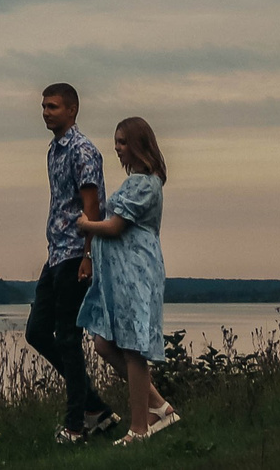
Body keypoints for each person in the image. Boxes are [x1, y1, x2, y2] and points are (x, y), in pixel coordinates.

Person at [75, 116, 175, 444]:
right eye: (116, 142)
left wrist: (85, 224)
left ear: (137, 145)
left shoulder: (145, 183)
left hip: (137, 273)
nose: (117, 149)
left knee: (133, 350)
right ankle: (159, 407)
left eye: (121, 142)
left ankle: (139, 428)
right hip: (119, 277)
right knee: (104, 342)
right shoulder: (136, 183)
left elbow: (116, 226)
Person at [28, 82, 115, 442]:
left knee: (67, 337)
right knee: (37, 332)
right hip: (56, 254)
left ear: (72, 111)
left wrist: (89, 256)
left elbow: (91, 206)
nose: (46, 112)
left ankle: (76, 425)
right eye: (44, 106)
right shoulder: (54, 151)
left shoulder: (82, 150)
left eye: (53, 106)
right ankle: (95, 408)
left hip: (76, 255)